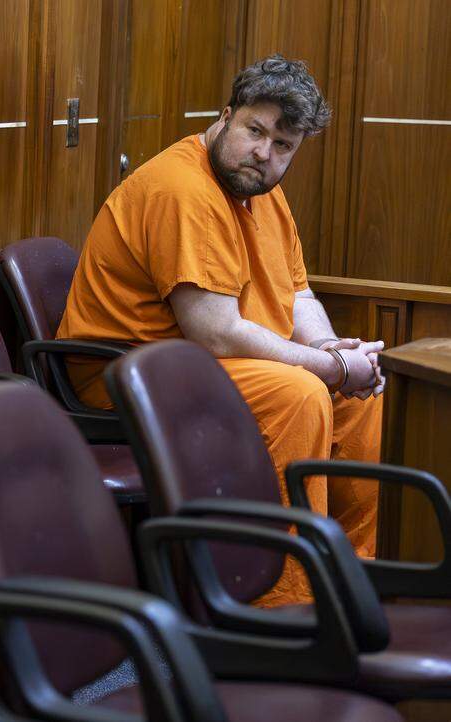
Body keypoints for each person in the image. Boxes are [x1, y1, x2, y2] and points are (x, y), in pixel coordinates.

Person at [56, 54, 383, 606]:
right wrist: (324, 368)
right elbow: (215, 333)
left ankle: (348, 579)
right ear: (225, 116)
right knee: (301, 393)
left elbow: (297, 291)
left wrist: (333, 351)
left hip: (195, 363)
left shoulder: (258, 186)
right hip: (129, 373)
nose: (264, 153)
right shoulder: (183, 189)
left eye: (283, 146)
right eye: (254, 131)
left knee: (358, 395)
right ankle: (283, 603)